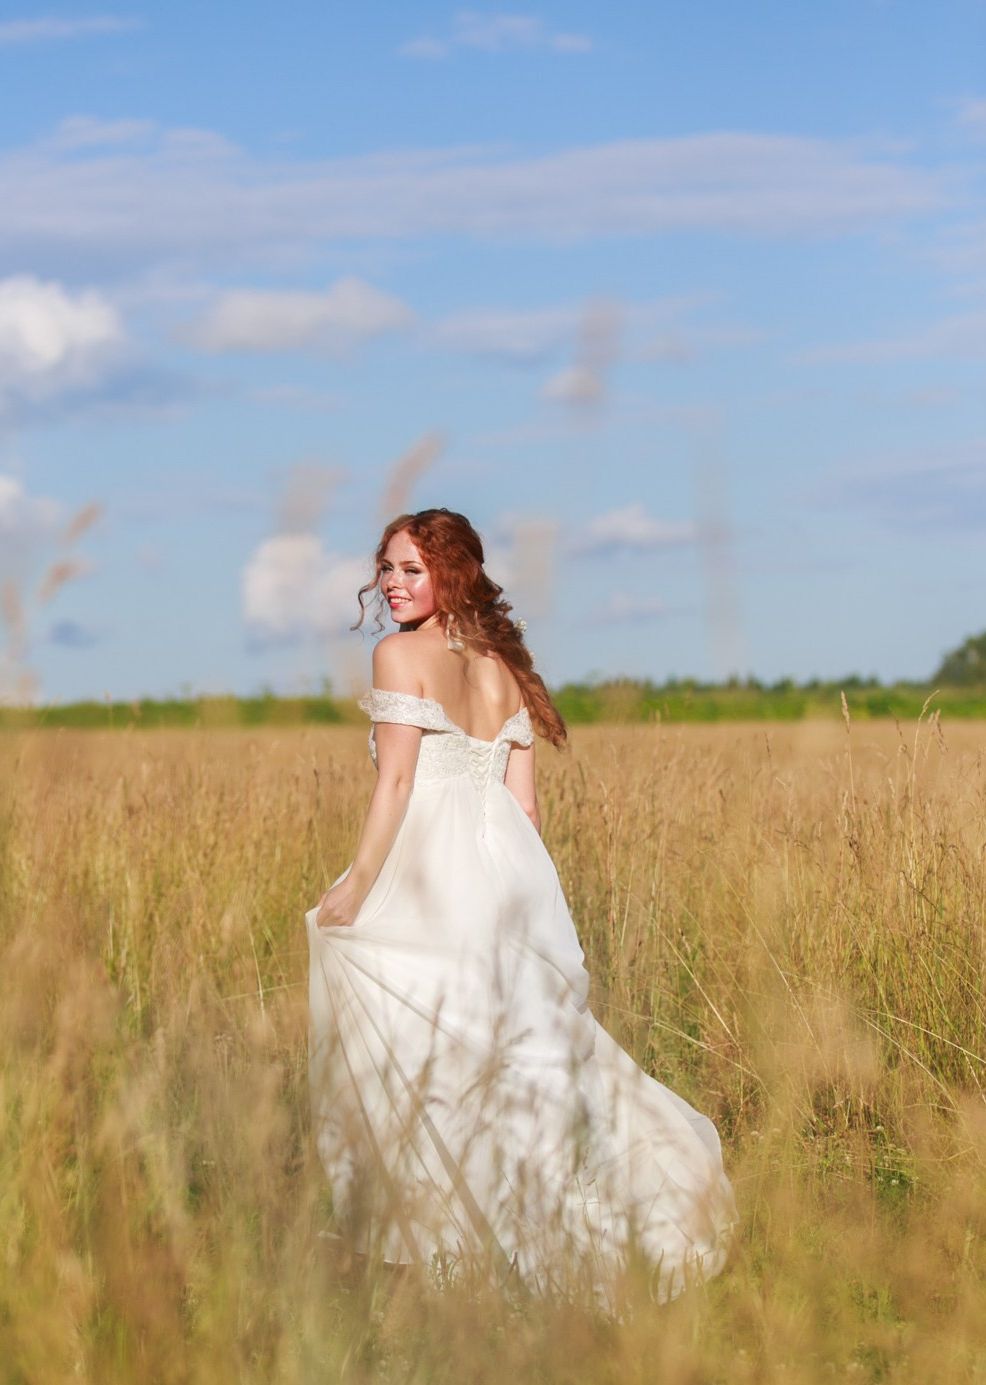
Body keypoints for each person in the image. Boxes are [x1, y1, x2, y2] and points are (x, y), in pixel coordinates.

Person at [307, 509, 735, 1311]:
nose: (393, 586)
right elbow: (527, 813)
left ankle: (438, 1238)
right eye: (387, 569)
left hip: (432, 871)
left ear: (452, 575)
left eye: (411, 570)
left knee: (423, 1036)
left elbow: (395, 784)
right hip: (505, 875)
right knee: (507, 1048)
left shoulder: (398, 656)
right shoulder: (502, 667)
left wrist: (359, 885)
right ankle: (519, 1219)